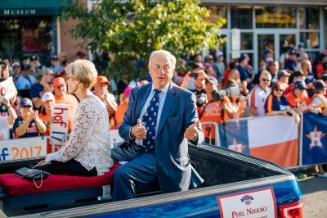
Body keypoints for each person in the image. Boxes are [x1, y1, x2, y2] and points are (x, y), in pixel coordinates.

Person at [111, 50, 204, 200]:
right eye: (157, 67)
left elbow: (198, 132)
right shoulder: (138, 93)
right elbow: (124, 127)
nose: (161, 71)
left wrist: (194, 135)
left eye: (166, 67)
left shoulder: (185, 97)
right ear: (149, 68)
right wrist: (133, 132)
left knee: (121, 175)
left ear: (173, 70)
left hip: (164, 156)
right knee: (99, 158)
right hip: (135, 150)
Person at [36, 59, 113, 176]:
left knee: (39, 169)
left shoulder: (87, 104)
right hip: (91, 161)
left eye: (69, 78)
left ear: (77, 80)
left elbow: (74, 147)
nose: (67, 81)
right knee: (42, 165)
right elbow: (75, 144)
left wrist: (50, 157)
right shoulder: (88, 101)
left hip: (91, 164)